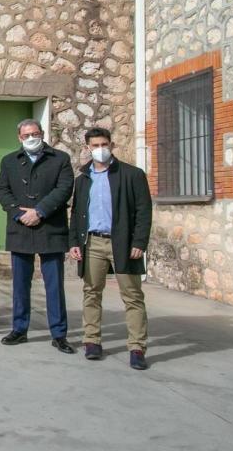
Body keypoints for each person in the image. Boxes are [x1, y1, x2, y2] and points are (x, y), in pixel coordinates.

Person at [69, 127, 152, 370]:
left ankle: (137, 347)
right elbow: (76, 213)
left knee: (132, 296)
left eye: (104, 144)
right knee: (91, 291)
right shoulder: (82, 178)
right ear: (87, 148)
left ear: (112, 145)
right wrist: (74, 241)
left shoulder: (132, 175)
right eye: (94, 146)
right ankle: (92, 341)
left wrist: (139, 242)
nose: (100, 149)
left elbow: (144, 211)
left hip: (123, 243)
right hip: (93, 242)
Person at [0, 118, 75, 354]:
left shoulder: (60, 158)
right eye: (26, 135)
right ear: (19, 138)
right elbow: (2, 190)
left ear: (41, 133)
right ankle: (19, 329)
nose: (31, 138)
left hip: (50, 229)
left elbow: (64, 189)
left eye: (35, 133)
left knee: (54, 285)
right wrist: (19, 213)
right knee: (20, 285)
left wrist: (40, 211)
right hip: (21, 229)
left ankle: (59, 334)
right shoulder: (9, 161)